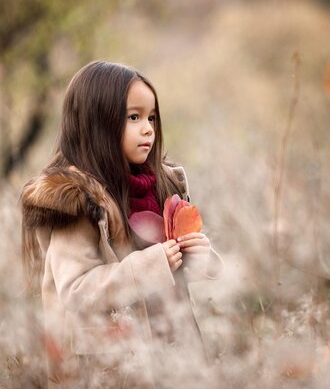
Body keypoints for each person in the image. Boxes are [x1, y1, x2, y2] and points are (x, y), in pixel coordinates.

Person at [20, 61, 221, 389]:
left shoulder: (161, 184)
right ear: (98, 122)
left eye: (151, 117)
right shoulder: (78, 200)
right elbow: (76, 291)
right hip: (109, 368)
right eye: (133, 117)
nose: (148, 129)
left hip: (174, 354)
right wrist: (152, 264)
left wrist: (198, 254)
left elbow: (172, 272)